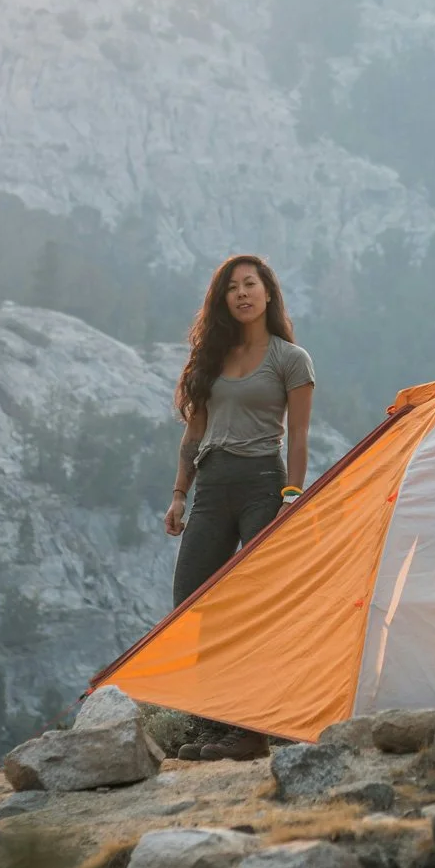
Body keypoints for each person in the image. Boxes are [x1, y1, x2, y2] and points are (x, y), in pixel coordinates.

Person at [164, 254, 314, 760]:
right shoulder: (213, 357)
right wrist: (180, 492)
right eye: (232, 287)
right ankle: (211, 724)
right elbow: (194, 431)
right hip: (211, 484)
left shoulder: (291, 359)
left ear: (268, 293)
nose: (242, 293)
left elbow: (298, 436)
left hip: (262, 486)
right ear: (222, 299)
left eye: (251, 284)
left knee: (257, 603)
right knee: (191, 600)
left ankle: (252, 730)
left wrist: (292, 496)